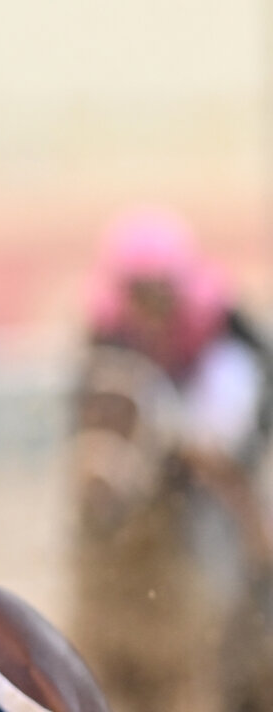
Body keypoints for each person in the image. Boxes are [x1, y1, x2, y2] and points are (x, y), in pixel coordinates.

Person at [84, 208, 273, 572]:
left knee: (213, 438)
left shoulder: (220, 316)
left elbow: (257, 384)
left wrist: (234, 454)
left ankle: (256, 544)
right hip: (154, 397)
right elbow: (94, 398)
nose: (150, 304)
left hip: (205, 393)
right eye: (139, 292)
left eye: (159, 290)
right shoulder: (107, 325)